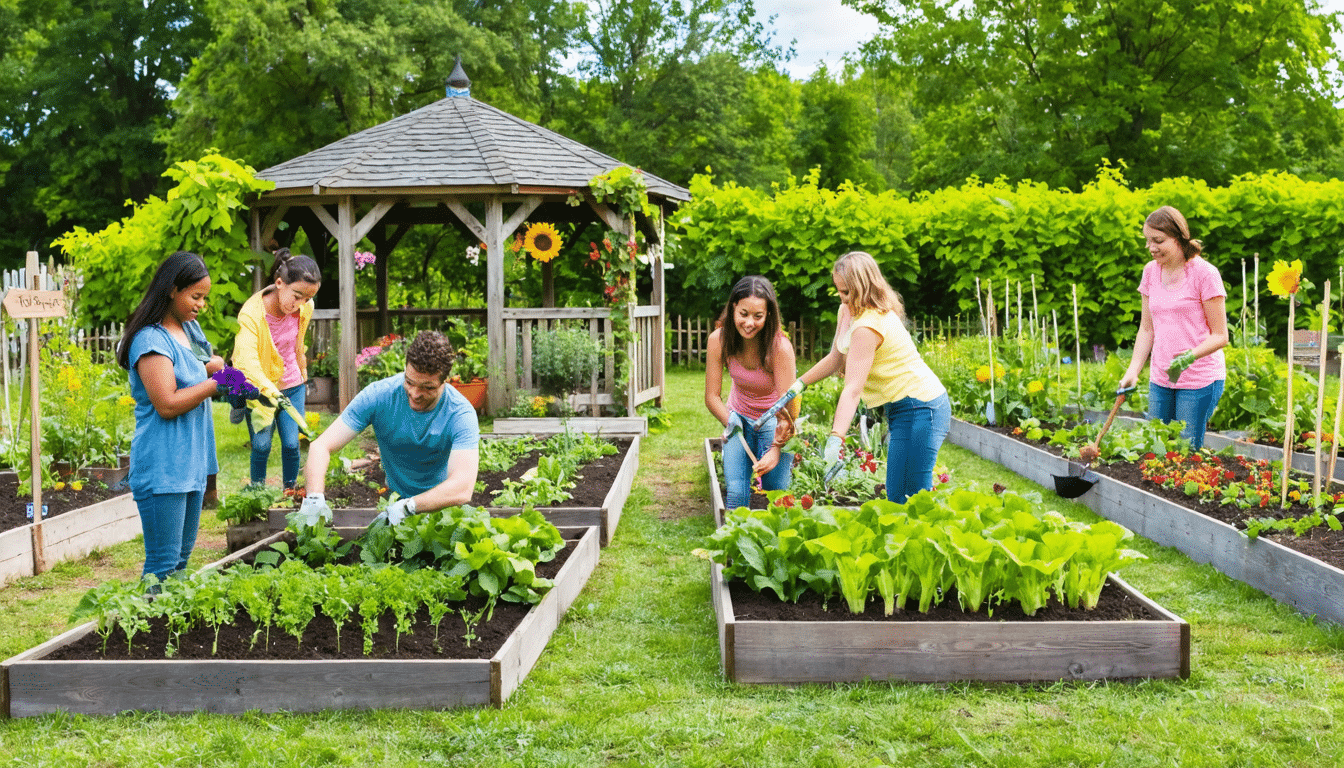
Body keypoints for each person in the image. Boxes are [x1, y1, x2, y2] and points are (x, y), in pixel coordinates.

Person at [759, 251, 950, 504]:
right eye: (839, 290)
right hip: (902, 408)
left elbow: (852, 388)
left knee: (914, 496)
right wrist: (799, 385)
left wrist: (836, 437)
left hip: (922, 407)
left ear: (864, 286)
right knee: (897, 495)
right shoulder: (847, 312)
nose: (842, 297)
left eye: (847, 292)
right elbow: (836, 358)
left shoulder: (868, 325)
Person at [118, 251, 247, 582]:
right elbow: (167, 402)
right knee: (162, 564)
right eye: (195, 296)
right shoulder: (150, 339)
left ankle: (171, 631)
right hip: (163, 465)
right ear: (172, 289)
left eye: (204, 297)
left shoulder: (189, 329)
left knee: (180, 562)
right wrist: (214, 383)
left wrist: (214, 367)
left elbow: (187, 372)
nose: (201, 304)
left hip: (191, 462)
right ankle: (148, 631)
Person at [299, 330, 480, 526]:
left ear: (445, 381)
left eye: (427, 387)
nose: (415, 393)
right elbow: (321, 446)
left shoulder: (460, 413)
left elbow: (462, 486)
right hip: (394, 502)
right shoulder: (379, 396)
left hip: (443, 510)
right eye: (409, 382)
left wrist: (408, 507)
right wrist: (314, 499)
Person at [1119, 206, 1228, 449]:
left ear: (1179, 238)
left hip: (1199, 379)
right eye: (1148, 241)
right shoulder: (1150, 272)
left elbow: (1220, 336)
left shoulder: (1205, 274)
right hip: (1161, 378)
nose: (1151, 247)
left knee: (1186, 451)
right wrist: (1133, 370)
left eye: (1158, 240)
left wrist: (1188, 357)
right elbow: (1147, 329)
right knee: (1157, 447)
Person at [704, 276, 797, 509]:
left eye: (758, 316)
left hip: (775, 422)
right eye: (743, 314)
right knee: (736, 494)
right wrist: (732, 422)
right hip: (738, 415)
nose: (749, 323)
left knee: (778, 494)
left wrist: (776, 449)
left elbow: (790, 409)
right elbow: (711, 397)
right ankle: (734, 545)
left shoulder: (780, 348)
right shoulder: (719, 340)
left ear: (768, 315)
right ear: (734, 307)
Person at [232, 247, 321, 488]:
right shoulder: (251, 314)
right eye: (297, 295)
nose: (300, 303)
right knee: (261, 445)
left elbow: (298, 343)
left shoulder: (304, 307)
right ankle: (256, 493)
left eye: (308, 298)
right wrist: (270, 391)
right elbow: (246, 361)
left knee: (292, 444)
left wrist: (303, 373)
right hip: (261, 389)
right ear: (280, 283)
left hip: (291, 385)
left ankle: (290, 493)